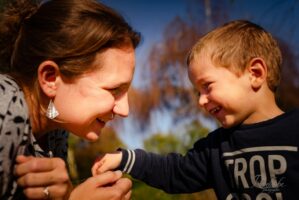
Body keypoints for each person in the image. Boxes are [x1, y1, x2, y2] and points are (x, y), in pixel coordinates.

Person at [92, 20, 299, 200]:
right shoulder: (216, 148)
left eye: (207, 86)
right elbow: (174, 173)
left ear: (255, 73)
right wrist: (125, 159)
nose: (201, 100)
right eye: (197, 91)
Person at [0, 0, 140, 199]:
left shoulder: (56, 131)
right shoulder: (4, 110)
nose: (124, 110)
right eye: (114, 89)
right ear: (50, 78)